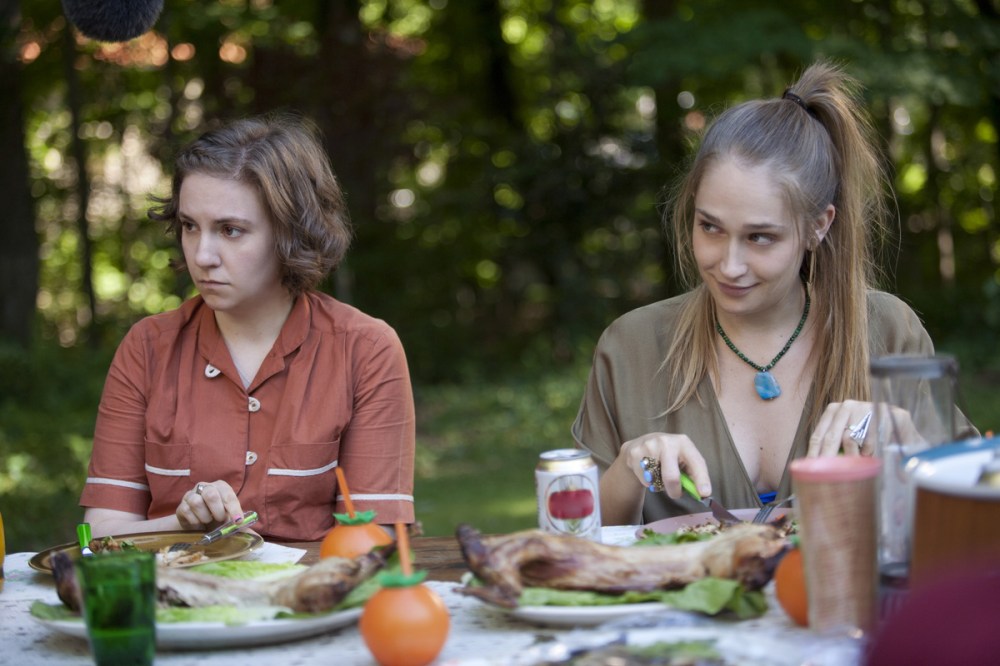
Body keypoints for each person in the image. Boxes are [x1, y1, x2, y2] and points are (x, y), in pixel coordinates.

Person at [572, 61, 972, 526]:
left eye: (760, 237)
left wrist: (909, 448)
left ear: (817, 227)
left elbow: (969, 518)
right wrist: (627, 470)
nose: (729, 264)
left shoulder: (887, 331)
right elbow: (575, 544)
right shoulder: (630, 348)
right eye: (710, 228)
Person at [80, 113, 416, 541]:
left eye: (231, 230)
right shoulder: (148, 348)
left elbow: (377, 538)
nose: (202, 255)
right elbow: (100, 533)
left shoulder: (365, 350)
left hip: (312, 603)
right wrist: (183, 525)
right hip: (176, 599)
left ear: (290, 232)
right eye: (189, 226)